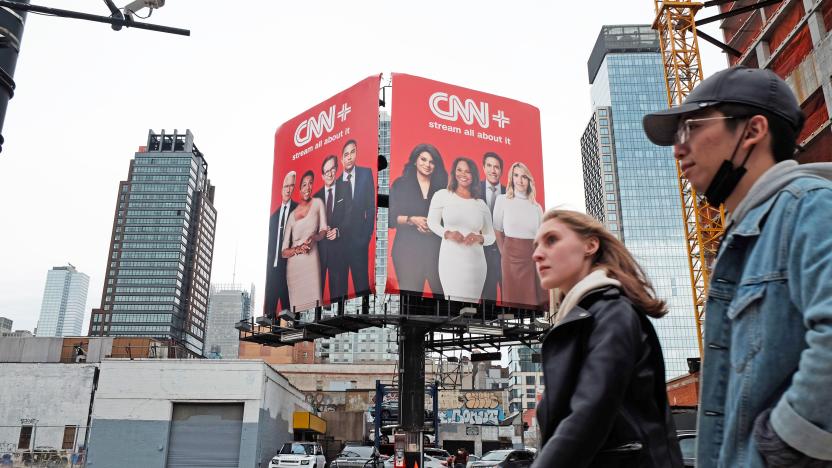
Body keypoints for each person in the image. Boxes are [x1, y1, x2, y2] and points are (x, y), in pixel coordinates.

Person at [643, 66, 832, 467]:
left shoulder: (810, 208)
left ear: (752, 131)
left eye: (691, 127)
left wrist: (784, 442)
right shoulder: (745, 237)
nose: (678, 149)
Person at [531, 210, 683, 468]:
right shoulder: (581, 318)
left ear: (590, 245)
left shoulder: (612, 313)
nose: (537, 253)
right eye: (536, 245)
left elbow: (589, 414)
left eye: (552, 240)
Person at [427, 157, 495, 302]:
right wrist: (447, 233)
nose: (463, 174)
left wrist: (479, 238)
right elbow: (431, 222)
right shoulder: (442, 195)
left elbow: (491, 236)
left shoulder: (481, 204)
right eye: (459, 170)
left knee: (471, 309)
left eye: (468, 171)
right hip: (450, 261)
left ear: (474, 176)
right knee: (453, 306)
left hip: (476, 264)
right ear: (454, 172)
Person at [389, 143, 448, 295]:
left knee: (444, 305)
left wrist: (434, 226)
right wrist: (412, 219)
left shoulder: (443, 188)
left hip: (437, 251)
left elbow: (449, 219)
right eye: (423, 159)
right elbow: (390, 218)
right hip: (407, 251)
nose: (427, 164)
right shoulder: (400, 184)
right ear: (415, 161)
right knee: (411, 305)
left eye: (432, 161)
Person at [493, 161, 544, 307]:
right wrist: (505, 253)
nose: (519, 180)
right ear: (511, 177)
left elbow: (541, 238)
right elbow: (497, 230)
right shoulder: (502, 200)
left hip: (532, 257)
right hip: (510, 257)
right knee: (512, 300)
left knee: (533, 300)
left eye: (524, 176)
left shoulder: (536, 207)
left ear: (529, 180)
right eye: (516, 175)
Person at [333, 139, 375, 296]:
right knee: (340, 292)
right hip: (340, 245)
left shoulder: (366, 174)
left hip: (360, 242)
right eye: (346, 154)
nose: (349, 157)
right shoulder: (335, 184)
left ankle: (365, 315)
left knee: (363, 288)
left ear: (356, 153)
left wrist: (367, 236)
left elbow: (371, 207)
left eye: (352, 152)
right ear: (342, 158)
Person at [281, 170, 328, 311]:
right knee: (295, 310)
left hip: (311, 261)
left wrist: (314, 237)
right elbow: (283, 252)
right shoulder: (291, 215)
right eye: (304, 185)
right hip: (294, 266)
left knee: (316, 302)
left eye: (310, 183)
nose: (308, 187)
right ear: (300, 189)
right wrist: (297, 249)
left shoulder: (318, 203)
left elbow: (323, 230)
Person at [264, 171, 297, 319]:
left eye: (291, 186)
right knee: (270, 311)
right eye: (286, 186)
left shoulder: (298, 210)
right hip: (273, 269)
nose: (288, 189)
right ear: (281, 188)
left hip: (289, 268)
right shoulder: (274, 216)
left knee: (290, 311)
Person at [314, 154, 346, 299]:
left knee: (338, 295)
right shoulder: (315, 198)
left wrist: (338, 231)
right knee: (315, 294)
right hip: (319, 253)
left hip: (339, 251)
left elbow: (351, 217)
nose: (331, 173)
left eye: (333, 169)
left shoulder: (345, 190)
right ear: (322, 175)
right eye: (327, 171)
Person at [477, 152, 505, 301]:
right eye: (489, 165)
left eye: (497, 167)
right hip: (482, 252)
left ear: (501, 170)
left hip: (505, 254)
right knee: (487, 299)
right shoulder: (474, 190)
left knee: (511, 296)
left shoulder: (510, 193)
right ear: (483, 167)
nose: (493, 170)